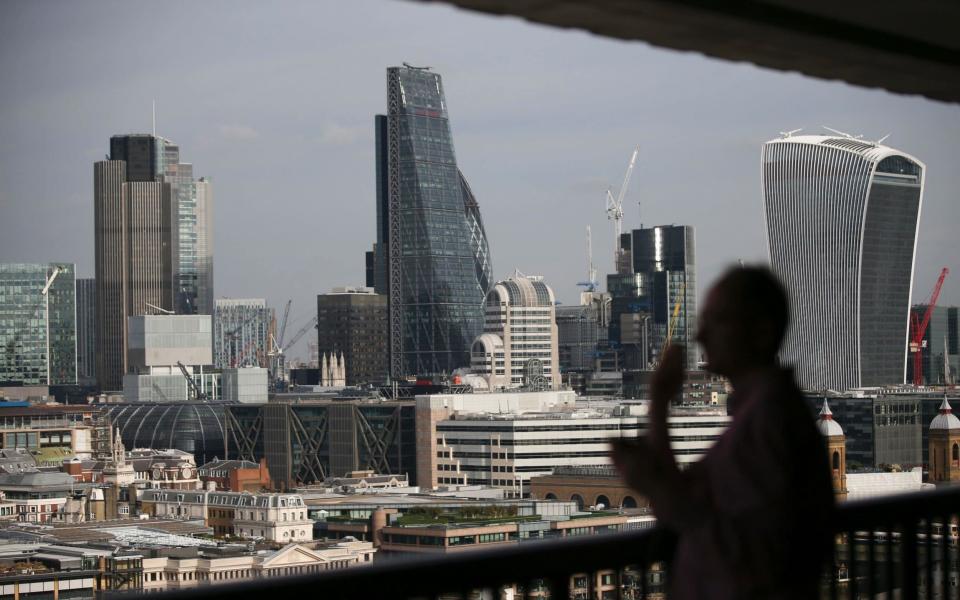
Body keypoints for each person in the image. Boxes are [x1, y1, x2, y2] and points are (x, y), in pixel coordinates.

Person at [611, 266, 834, 599]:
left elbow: (684, 511)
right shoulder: (767, 411)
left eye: (717, 321)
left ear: (760, 331)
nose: (701, 336)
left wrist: (659, 400)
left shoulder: (765, 421)